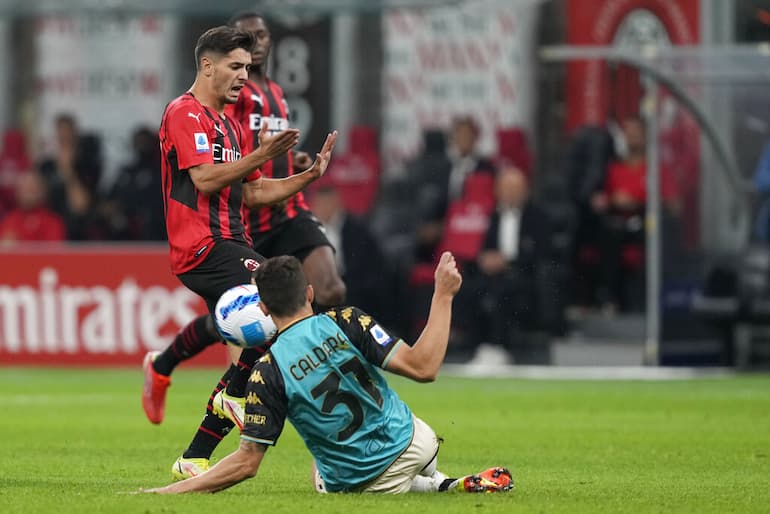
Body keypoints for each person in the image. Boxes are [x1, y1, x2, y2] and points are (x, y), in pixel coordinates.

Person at [140, 25, 337, 479]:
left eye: (247, 68)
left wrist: (307, 178)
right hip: (203, 246)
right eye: (234, 67)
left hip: (233, 242)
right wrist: (259, 153)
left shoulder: (228, 124)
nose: (243, 77)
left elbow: (252, 192)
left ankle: (194, 454)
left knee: (267, 328)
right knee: (285, 310)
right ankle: (232, 394)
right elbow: (207, 178)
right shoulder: (183, 113)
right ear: (207, 65)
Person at [143, 253, 513, 495]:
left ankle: (433, 488)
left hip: (368, 482)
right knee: (401, 435)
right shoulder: (347, 320)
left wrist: (164, 493)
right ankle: (441, 482)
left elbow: (245, 464)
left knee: (320, 468)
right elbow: (424, 367)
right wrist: (443, 296)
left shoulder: (266, 371)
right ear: (308, 292)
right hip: (418, 442)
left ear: (264, 309)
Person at [452, 166, 552, 364]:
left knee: (502, 292)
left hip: (522, 274)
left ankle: (499, 347)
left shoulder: (538, 217)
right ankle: (474, 347)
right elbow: (485, 247)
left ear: (525, 190)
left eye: (515, 188)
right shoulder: (493, 216)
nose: (510, 193)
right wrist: (485, 259)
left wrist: (507, 261)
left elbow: (540, 252)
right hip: (491, 274)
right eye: (506, 188)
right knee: (469, 290)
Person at [0, 169, 65, 243]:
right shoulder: (9, 220)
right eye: (23, 188)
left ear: (41, 191)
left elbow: (54, 249)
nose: (27, 192)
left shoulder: (52, 222)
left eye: (31, 188)